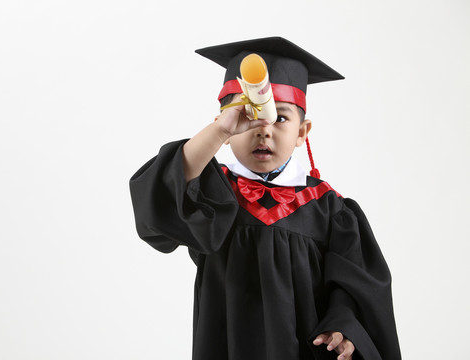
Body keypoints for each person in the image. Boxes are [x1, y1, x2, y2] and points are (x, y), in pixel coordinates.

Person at [129, 37, 401, 360]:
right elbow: (156, 198)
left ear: (303, 132)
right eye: (248, 116)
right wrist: (220, 130)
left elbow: (355, 286)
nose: (264, 130)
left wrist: (343, 326)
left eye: (281, 118)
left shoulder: (327, 208)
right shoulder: (212, 194)